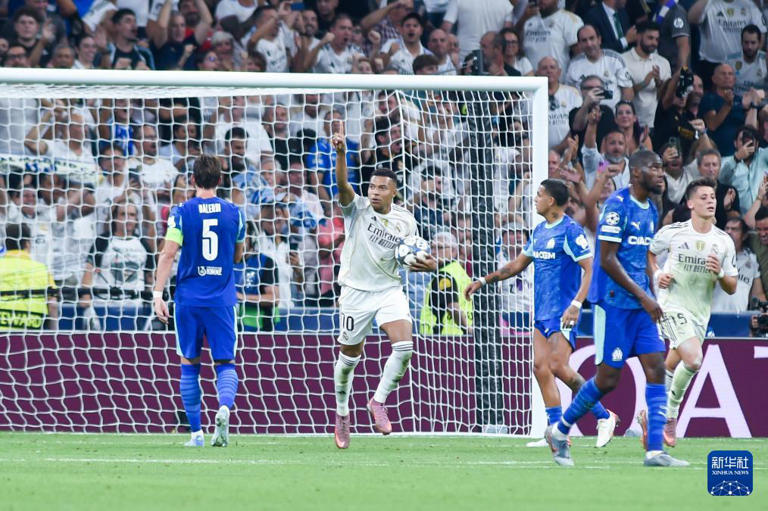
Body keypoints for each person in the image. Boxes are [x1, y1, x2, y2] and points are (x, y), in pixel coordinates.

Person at [545, 150, 689, 467]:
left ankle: (655, 451)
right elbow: (608, 260)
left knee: (656, 369)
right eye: (654, 167)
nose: (660, 173)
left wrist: (653, 293)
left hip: (641, 307)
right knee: (608, 380)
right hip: (613, 306)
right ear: (636, 173)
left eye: (661, 168)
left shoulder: (651, 208)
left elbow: (643, 258)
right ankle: (560, 429)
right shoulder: (617, 207)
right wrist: (644, 297)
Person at [466, 179, 617, 448]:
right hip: (542, 313)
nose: (535, 199)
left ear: (551, 201)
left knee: (558, 366)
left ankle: (604, 417)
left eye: (539, 195)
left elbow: (590, 269)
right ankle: (556, 433)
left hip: (564, 312)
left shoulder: (570, 231)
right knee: (540, 368)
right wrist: (483, 281)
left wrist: (576, 304)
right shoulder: (538, 231)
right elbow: (515, 266)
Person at [330, 131, 437, 450]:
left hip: (389, 289)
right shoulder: (357, 208)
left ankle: (378, 401)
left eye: (381, 188)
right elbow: (342, 186)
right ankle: (342, 412)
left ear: (394, 192)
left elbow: (412, 256)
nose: (374, 192)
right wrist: (341, 155)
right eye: (372, 186)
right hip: (355, 291)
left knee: (404, 348)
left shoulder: (406, 221)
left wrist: (428, 264)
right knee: (349, 359)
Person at [152, 155, 246, 448]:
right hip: (222, 299)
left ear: (192, 180)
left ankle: (196, 434)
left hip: (188, 299)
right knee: (225, 363)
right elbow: (238, 255)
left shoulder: (180, 212)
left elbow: (168, 253)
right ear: (220, 180)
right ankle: (224, 408)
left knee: (189, 365)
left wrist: (158, 294)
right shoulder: (235, 213)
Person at [648, 178, 738, 447]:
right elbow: (649, 254)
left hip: (699, 314)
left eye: (712, 197)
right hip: (671, 305)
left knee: (671, 365)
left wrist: (719, 273)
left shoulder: (723, 241)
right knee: (695, 359)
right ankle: (670, 416)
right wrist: (658, 274)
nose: (710, 201)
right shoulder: (673, 233)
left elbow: (732, 286)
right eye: (703, 197)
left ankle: (650, 416)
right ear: (690, 203)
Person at [0, 223, 57, 331]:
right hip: (32, 329)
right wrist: (54, 333)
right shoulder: (42, 269)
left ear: (5, 244)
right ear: (27, 244)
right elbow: (53, 305)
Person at [420, 231, 472, 335]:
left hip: (443, 337)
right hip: (460, 336)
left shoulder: (444, 275)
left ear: (453, 251)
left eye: (439, 248)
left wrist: (468, 329)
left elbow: (452, 307)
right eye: (432, 247)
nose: (433, 252)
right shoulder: (460, 272)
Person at [712, 217, 765, 313]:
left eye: (734, 229)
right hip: (714, 314)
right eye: (727, 228)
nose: (729, 232)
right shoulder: (714, 255)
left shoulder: (751, 258)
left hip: (739, 317)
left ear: (744, 236)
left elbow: (758, 294)